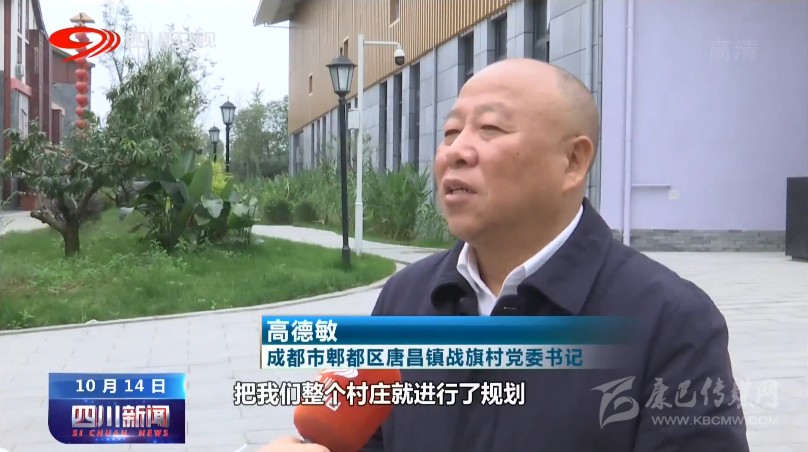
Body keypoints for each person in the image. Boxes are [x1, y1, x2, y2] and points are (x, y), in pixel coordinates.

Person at [260, 58, 750, 451]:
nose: (456, 151)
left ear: (573, 161)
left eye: (490, 129)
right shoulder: (404, 298)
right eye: (450, 133)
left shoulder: (670, 320)